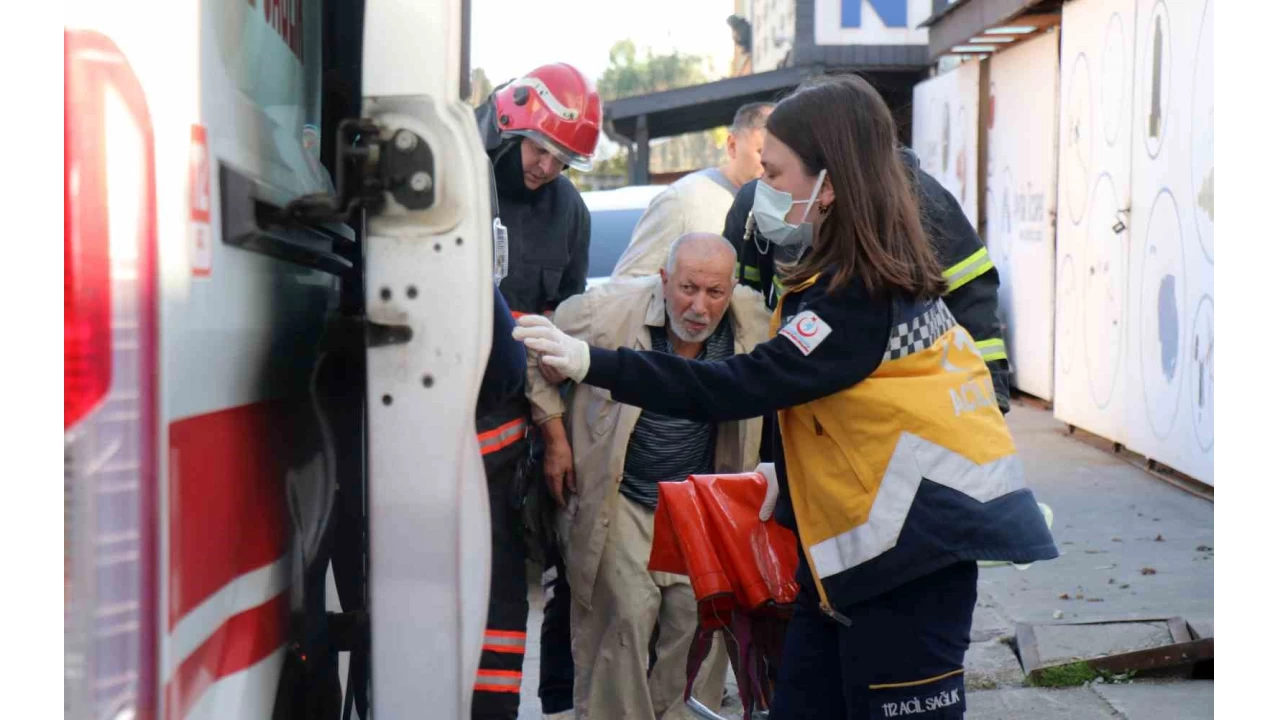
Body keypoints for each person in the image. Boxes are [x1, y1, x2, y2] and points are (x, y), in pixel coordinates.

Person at [514, 75, 1058, 720]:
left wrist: (589, 362)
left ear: (828, 184)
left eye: (774, 174)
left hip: (913, 559)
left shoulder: (858, 297)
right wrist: (787, 478)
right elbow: (849, 410)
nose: (759, 192)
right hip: (852, 561)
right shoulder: (849, 276)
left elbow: (740, 384)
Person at [529, 233, 771, 719]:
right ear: (664, 280)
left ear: (730, 290)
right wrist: (554, 438)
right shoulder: (604, 311)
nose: (699, 306)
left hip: (700, 506)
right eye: (687, 288)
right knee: (624, 618)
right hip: (623, 498)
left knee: (699, 622)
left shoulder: (755, 323)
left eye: (714, 293)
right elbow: (538, 349)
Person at [471, 62, 600, 720]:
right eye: (540, 150)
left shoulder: (568, 212)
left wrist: (554, 438)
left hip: (512, 428)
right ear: (509, 128)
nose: (547, 167)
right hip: (426, 410)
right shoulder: (462, 181)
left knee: (507, 587)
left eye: (562, 159)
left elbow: (563, 332)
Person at [722, 146, 1012, 415]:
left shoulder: (919, 197)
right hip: (796, 402)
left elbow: (970, 295)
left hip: (902, 408)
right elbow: (741, 313)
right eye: (767, 169)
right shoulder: (757, 204)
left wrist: (989, 392)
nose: (767, 184)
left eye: (775, 171)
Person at [611, 102, 774, 280]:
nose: (771, 162)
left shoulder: (783, 203)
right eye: (761, 152)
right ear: (732, 145)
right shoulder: (683, 201)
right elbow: (627, 285)